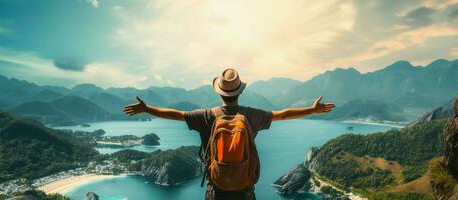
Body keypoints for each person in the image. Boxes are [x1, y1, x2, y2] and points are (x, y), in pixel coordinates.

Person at [123, 68, 335, 200]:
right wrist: (312, 109)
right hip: (244, 190)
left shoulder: (206, 116)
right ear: (240, 91)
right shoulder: (252, 115)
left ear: (219, 92)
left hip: (216, 190)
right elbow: (284, 115)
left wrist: (147, 108)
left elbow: (176, 115)